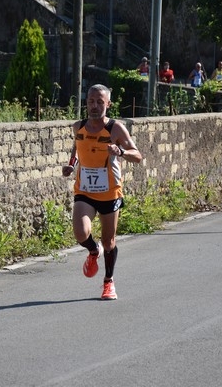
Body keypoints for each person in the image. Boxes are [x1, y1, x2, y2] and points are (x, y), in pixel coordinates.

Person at [62, 84, 143, 300]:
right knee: (81, 233)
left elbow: (138, 155)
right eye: (91, 101)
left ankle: (108, 282)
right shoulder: (78, 126)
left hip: (109, 193)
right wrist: (71, 164)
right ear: (86, 103)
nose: (95, 106)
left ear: (108, 104)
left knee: (109, 242)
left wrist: (121, 151)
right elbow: (77, 147)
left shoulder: (115, 129)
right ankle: (92, 250)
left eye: (100, 102)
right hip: (85, 191)